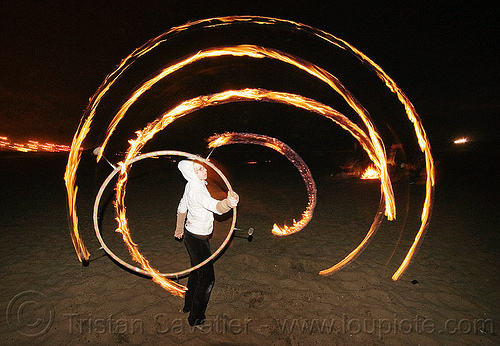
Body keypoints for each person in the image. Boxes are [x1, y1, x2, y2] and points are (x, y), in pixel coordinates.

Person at [174, 159, 239, 327]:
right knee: (207, 279)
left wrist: (179, 228)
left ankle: (188, 306)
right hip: (197, 239)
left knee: (196, 273)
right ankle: (196, 318)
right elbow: (215, 207)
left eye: (203, 167)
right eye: (199, 169)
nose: (204, 170)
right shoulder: (197, 191)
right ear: (192, 174)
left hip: (191, 235)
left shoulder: (192, 184)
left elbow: (182, 206)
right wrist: (228, 203)